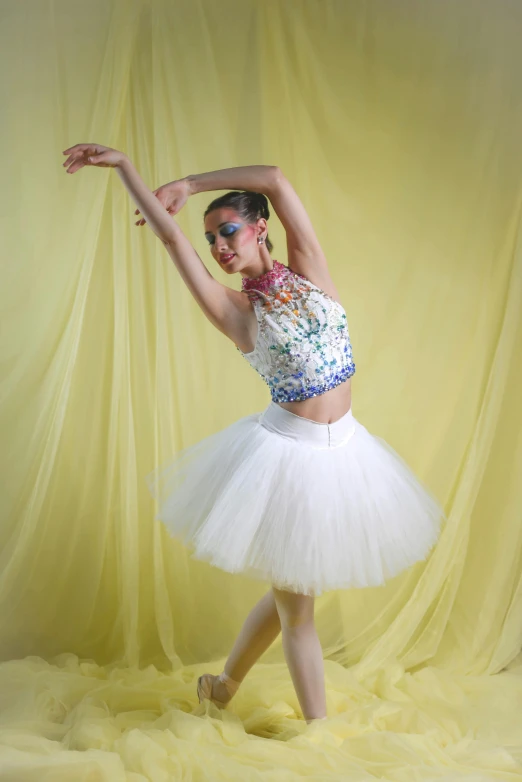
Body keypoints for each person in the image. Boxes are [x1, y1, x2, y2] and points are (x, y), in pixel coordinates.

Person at [61, 144, 446, 723]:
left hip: (347, 451)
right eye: (212, 238)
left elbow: (273, 177)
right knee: (299, 612)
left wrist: (188, 184)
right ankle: (318, 730)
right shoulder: (235, 312)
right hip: (288, 460)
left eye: (229, 231)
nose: (218, 246)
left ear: (260, 227)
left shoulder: (310, 268)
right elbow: (170, 240)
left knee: (294, 587)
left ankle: (221, 685)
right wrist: (125, 171)